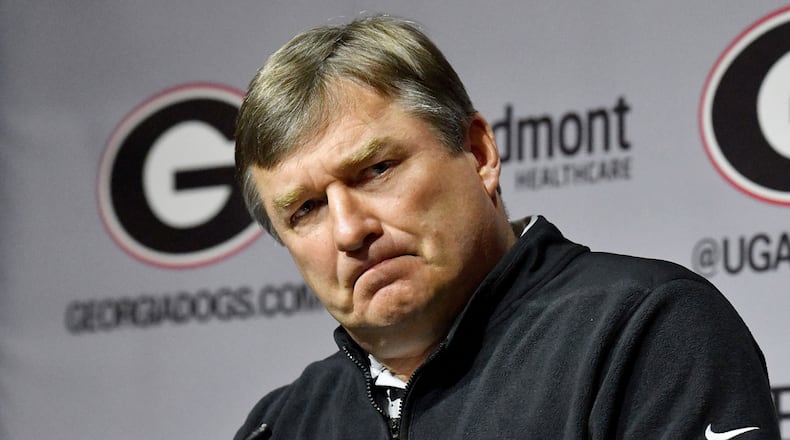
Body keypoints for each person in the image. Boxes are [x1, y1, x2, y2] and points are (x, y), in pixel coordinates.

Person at [232, 15, 780, 440]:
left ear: (478, 153)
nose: (349, 231)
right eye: (305, 210)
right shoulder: (282, 424)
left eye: (376, 170)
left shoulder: (644, 332)